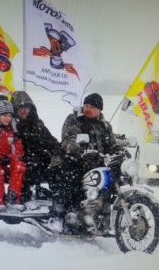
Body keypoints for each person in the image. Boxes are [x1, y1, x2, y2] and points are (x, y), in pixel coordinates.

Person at [49, 93, 118, 228]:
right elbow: (69, 140)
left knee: (114, 177)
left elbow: (111, 144)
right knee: (72, 178)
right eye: (86, 105)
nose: (87, 109)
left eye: (92, 107)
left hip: (94, 162)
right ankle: (59, 215)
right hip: (68, 160)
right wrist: (81, 151)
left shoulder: (105, 126)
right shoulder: (74, 119)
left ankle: (103, 212)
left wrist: (119, 150)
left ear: (99, 109)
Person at [10, 91, 64, 203]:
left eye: (27, 107)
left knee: (60, 167)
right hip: (19, 162)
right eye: (21, 107)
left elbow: (51, 141)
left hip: (39, 160)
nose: (25, 110)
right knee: (32, 164)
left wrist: (59, 154)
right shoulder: (8, 125)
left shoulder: (37, 124)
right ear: (14, 108)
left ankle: (59, 198)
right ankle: (24, 197)